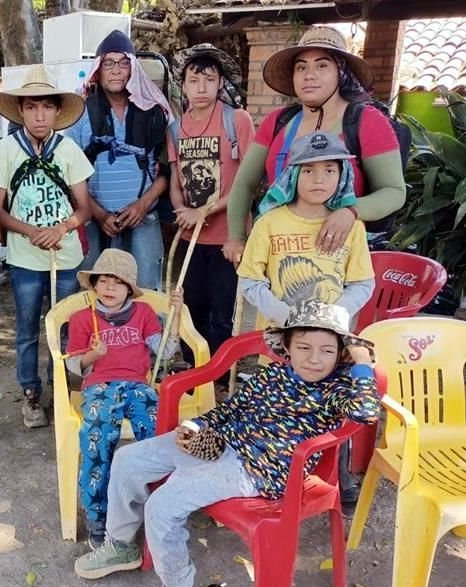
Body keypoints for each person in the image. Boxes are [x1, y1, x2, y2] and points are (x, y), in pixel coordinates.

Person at [73, 299, 380, 587]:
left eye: (326, 350)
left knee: (163, 505)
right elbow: (232, 409)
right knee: (129, 459)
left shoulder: (336, 388)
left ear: (340, 354)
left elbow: (366, 413)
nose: (313, 358)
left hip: (259, 470)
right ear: (288, 348)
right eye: (304, 347)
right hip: (220, 443)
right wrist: (196, 425)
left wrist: (362, 364)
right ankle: (121, 543)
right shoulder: (272, 374)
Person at [223, 25, 405, 268]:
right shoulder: (278, 122)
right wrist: (236, 237)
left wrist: (350, 210)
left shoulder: (366, 122)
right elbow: (244, 184)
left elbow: (394, 191)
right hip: (274, 256)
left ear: (340, 72)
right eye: (301, 67)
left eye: (322, 65)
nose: (309, 75)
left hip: (336, 260)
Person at [0, 64, 94, 429]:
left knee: (65, 329)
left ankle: (62, 388)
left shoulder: (69, 150)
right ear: (21, 110)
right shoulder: (6, 150)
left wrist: (62, 226)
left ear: (56, 111)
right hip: (25, 257)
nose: (39, 115)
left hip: (66, 257)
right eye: (32, 107)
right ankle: (31, 394)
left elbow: (85, 207)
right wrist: (31, 231)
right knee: (28, 327)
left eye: (46, 107)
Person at [66, 249, 182, 549]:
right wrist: (94, 355)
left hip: (137, 384)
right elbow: (73, 365)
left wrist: (177, 314)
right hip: (99, 386)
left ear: (129, 288)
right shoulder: (82, 319)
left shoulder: (143, 313)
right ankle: (98, 516)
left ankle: (160, 506)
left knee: (159, 433)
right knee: (97, 436)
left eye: (117, 283)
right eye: (103, 281)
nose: (109, 288)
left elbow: (165, 351)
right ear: (94, 285)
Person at [166, 44, 255, 355]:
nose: (201, 88)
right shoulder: (176, 129)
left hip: (227, 238)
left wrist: (204, 211)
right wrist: (180, 209)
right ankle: (194, 372)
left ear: (220, 83)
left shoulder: (237, 120)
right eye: (194, 80)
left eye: (209, 80)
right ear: (183, 85)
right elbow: (176, 180)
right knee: (192, 309)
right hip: (191, 237)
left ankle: (218, 377)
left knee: (223, 313)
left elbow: (248, 181)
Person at [67, 30, 173, 291]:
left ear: (133, 69)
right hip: (93, 219)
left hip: (144, 218)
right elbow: (69, 175)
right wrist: (99, 213)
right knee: (92, 294)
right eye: (108, 63)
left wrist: (142, 205)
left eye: (123, 62)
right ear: (98, 70)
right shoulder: (81, 113)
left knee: (147, 294)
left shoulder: (153, 112)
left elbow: (166, 171)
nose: (116, 70)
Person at [237, 131, 375, 326]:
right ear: (292, 175)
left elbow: (362, 283)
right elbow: (250, 280)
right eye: (308, 171)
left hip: (328, 338)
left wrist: (332, 317)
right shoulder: (268, 224)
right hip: (276, 337)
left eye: (329, 171)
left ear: (342, 175)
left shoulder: (353, 227)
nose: (319, 179)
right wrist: (286, 316)